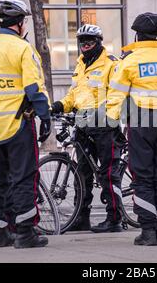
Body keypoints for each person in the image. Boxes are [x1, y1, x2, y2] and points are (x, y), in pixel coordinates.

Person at [0, 0, 51, 249]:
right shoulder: (21, 48)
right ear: (19, 23)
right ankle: (25, 234)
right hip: (18, 125)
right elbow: (33, 87)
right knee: (23, 178)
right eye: (24, 20)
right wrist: (45, 116)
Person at [106, 12, 157, 245]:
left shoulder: (130, 61)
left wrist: (113, 123)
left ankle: (147, 231)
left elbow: (116, 95)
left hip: (142, 122)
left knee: (142, 176)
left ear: (138, 34)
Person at [51, 24, 123, 233]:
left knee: (108, 173)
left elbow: (118, 94)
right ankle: (81, 217)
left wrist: (109, 117)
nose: (85, 44)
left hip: (104, 126)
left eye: (89, 40)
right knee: (82, 173)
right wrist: (59, 105)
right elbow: (75, 94)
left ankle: (114, 219)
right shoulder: (81, 64)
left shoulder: (111, 64)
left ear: (99, 42)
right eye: (82, 40)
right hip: (83, 125)